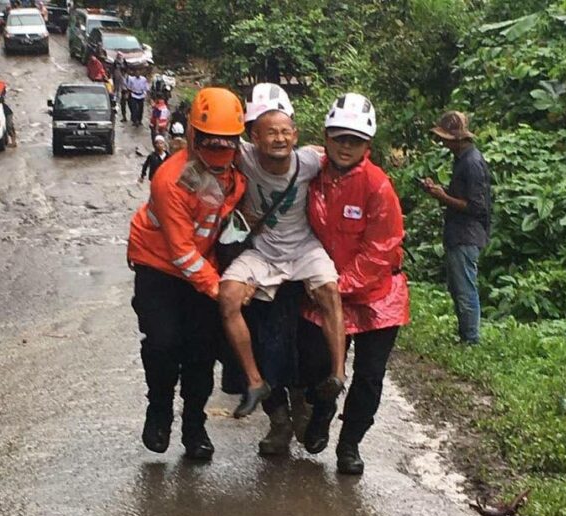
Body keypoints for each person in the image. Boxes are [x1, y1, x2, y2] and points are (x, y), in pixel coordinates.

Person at [127, 88, 246, 460]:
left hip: (205, 268)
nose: (217, 153)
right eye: (209, 144)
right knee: (163, 344)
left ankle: (194, 425)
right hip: (159, 266)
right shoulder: (170, 179)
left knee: (200, 353)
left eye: (225, 145)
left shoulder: (239, 168)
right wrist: (220, 290)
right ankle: (159, 410)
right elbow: (181, 251)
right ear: (193, 136)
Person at [219, 83, 346, 424]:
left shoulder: (309, 161)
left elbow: (345, 156)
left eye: (285, 132)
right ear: (253, 136)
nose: (278, 139)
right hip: (262, 251)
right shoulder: (242, 155)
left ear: (295, 134)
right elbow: (206, 140)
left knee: (330, 291)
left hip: (303, 248)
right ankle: (255, 383)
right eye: (269, 132)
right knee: (228, 296)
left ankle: (337, 375)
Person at [299, 93, 409, 475]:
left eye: (355, 140)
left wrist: (335, 287)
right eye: (339, 137)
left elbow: (380, 250)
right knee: (315, 363)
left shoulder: (378, 187)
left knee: (369, 378)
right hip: (325, 293)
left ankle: (350, 444)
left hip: (375, 296)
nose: (346, 146)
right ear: (326, 137)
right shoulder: (311, 174)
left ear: (368, 145)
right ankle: (322, 409)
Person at [419, 111, 492, 345]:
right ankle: (465, 336)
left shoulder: (472, 163)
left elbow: (476, 206)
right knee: (457, 288)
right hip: (458, 234)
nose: (442, 142)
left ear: (458, 138)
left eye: (445, 138)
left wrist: (443, 197)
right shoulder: (463, 160)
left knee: (465, 290)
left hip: (466, 235)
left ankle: (470, 340)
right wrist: (438, 191)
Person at [113, 53, 129, 122]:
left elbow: (126, 67)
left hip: (126, 91)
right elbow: (113, 68)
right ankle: (116, 96)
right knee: (117, 87)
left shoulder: (127, 77)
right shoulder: (115, 62)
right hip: (117, 75)